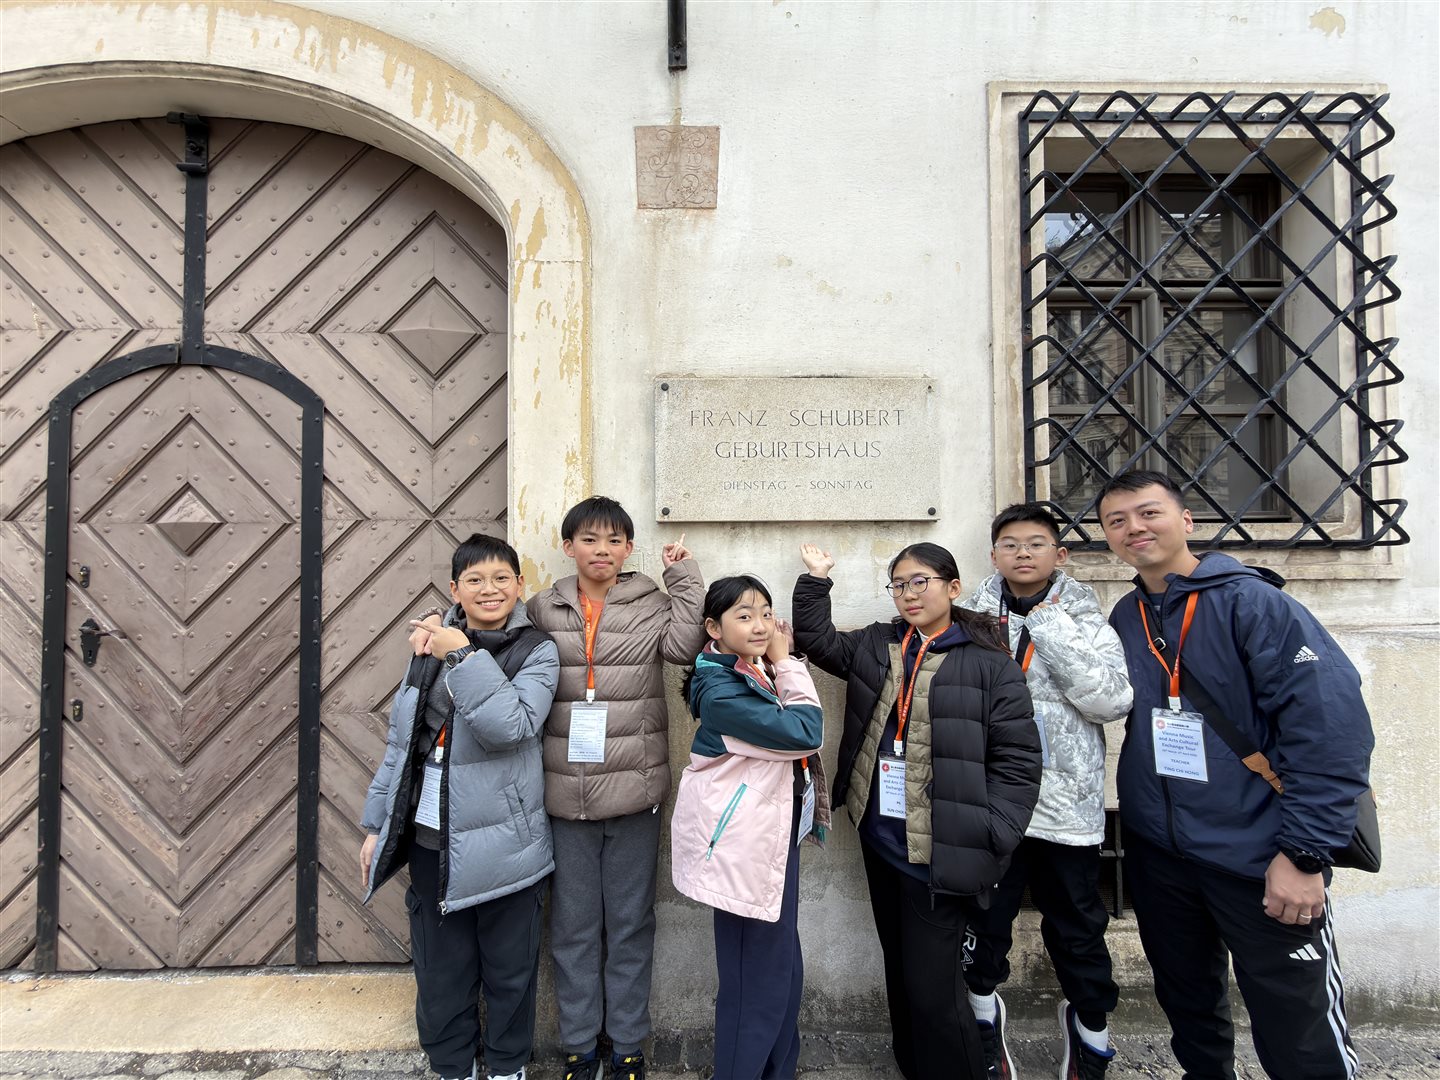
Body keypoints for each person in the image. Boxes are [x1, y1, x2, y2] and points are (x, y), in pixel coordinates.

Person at [1098, 470, 1373, 1080]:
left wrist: (1304, 855)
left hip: (1260, 854)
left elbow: (1330, 730)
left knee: (1297, 1024)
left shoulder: (1253, 603)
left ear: (1186, 520)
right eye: (1117, 521)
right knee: (1190, 1009)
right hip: (1163, 856)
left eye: (1149, 513)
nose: (1134, 528)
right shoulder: (1126, 615)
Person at [792, 541, 1042, 1080]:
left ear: (953, 587)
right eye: (899, 584)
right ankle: (913, 1066)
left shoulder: (988, 662)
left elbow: (1019, 762)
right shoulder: (879, 644)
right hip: (882, 839)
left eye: (920, 581)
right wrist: (816, 579)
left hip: (940, 852)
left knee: (935, 993)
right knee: (902, 974)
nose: (908, 594)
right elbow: (817, 640)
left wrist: (991, 834)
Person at [360, 534, 559, 1080]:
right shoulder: (427, 646)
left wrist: (462, 655)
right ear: (454, 589)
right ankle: (452, 1067)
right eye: (474, 579)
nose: (488, 589)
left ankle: (507, 1067)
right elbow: (403, 743)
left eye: (501, 578)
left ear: (520, 585)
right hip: (432, 835)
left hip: (508, 845)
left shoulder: (537, 650)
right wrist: (377, 824)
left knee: (510, 970)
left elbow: (511, 727)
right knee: (441, 969)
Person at [527, 497, 706, 1080]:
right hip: (563, 795)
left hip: (635, 790)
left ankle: (627, 1045)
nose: (600, 550)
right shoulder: (543, 607)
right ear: (568, 546)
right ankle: (580, 1047)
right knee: (572, 928)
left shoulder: (651, 601)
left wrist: (684, 577)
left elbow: (682, 648)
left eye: (613, 540)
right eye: (588, 539)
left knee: (630, 924)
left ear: (629, 548)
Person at [959, 503, 1132, 1080]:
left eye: (1035, 543)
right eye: (1010, 544)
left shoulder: (1085, 619)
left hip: (1065, 808)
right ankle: (984, 1024)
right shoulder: (968, 619)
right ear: (994, 555)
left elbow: (1111, 701)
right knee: (983, 925)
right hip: (991, 804)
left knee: (1078, 927)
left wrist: (1050, 629)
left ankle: (1090, 1037)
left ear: (1060, 554)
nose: (1023, 553)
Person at [670, 575, 829, 1080]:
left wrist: (777, 663)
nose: (761, 625)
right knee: (753, 985)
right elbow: (805, 731)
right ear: (714, 628)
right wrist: (787, 662)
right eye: (744, 616)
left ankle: (777, 1071)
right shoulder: (721, 691)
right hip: (744, 850)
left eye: (765, 612)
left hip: (770, 839)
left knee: (780, 972)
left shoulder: (748, 669)